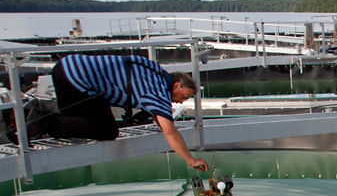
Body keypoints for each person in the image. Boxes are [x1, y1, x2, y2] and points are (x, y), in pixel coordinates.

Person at [8, 53, 208, 172]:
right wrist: (191, 159)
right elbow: (169, 130)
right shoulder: (158, 91)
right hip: (80, 81)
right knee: (106, 130)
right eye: (184, 96)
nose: (182, 101)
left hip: (65, 67)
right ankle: (39, 122)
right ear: (176, 85)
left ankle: (23, 120)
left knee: (75, 120)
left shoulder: (153, 71)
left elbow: (158, 116)